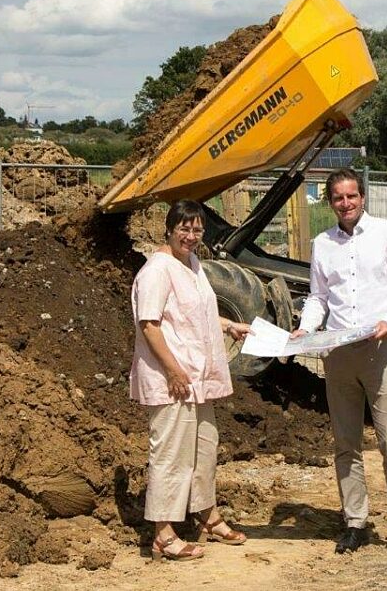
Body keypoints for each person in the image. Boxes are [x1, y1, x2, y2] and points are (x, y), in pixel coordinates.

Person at [291, 168, 387, 557]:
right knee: (346, 443)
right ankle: (355, 521)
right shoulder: (322, 243)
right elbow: (318, 296)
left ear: (362, 197)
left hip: (381, 350)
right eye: (337, 198)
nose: (345, 204)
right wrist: (305, 328)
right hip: (339, 353)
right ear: (329, 202)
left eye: (351, 196)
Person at [130, 199, 252, 562]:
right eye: (184, 228)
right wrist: (172, 369)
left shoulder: (193, 264)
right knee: (171, 455)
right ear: (169, 229)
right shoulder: (157, 270)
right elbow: (149, 324)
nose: (191, 235)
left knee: (203, 449)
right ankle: (163, 535)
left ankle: (207, 516)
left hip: (197, 380)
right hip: (174, 381)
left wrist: (230, 325)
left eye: (197, 229)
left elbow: (198, 314)